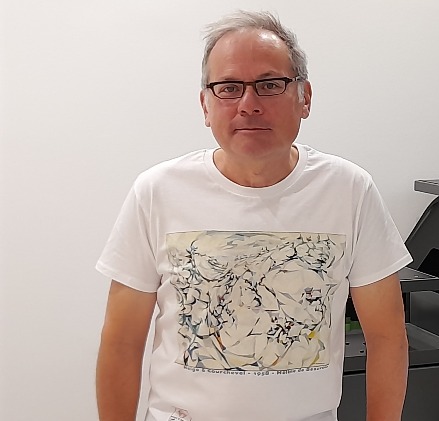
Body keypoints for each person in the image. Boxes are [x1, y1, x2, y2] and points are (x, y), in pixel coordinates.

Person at [95, 10, 411, 421]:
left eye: (269, 85)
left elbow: (387, 338)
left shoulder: (349, 190)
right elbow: (121, 342)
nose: (248, 105)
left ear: (305, 97)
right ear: (206, 105)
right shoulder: (157, 192)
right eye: (229, 88)